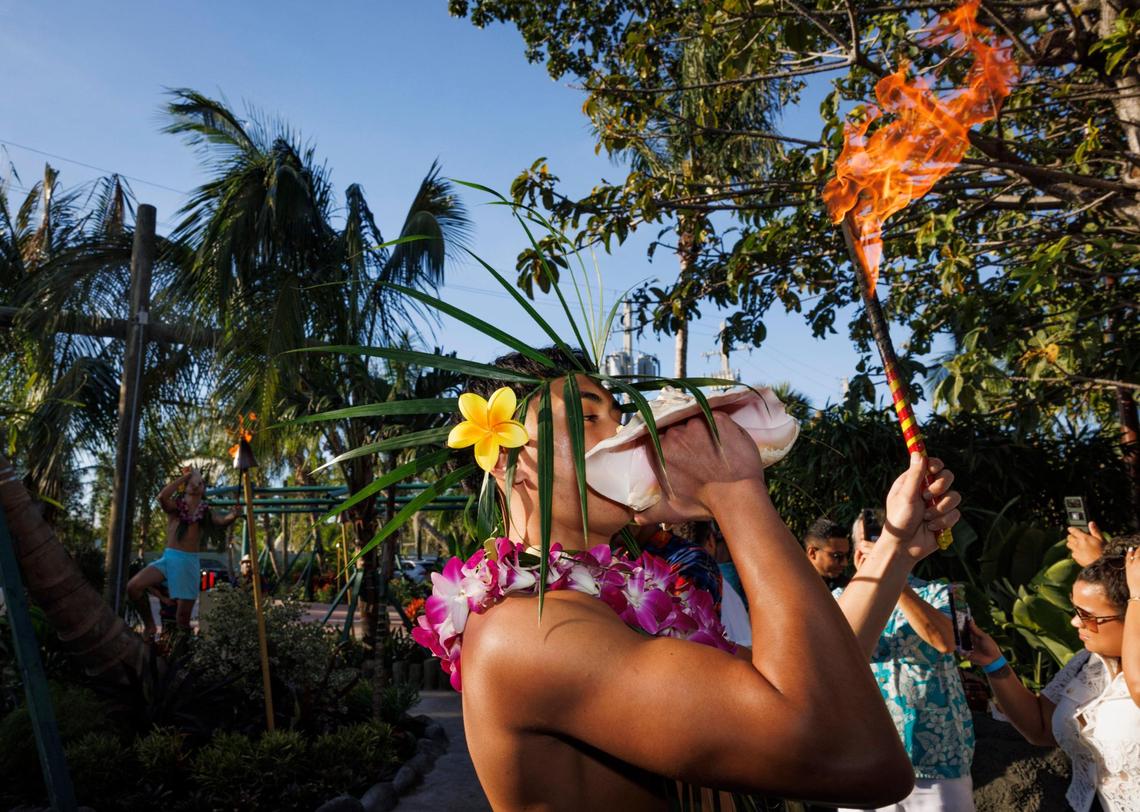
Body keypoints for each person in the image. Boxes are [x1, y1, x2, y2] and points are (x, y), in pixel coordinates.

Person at [415, 349, 963, 810]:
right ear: (505, 456)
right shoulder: (528, 630)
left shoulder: (614, 592)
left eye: (618, 412)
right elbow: (852, 753)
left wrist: (894, 548)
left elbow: (802, 679)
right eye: (588, 418)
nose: (627, 430)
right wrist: (733, 493)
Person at [965, 536, 1140, 812]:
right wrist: (994, 663)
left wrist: (1138, 594)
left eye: (1088, 616)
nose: (1074, 622)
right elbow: (1040, 728)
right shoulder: (1087, 663)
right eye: (1075, 610)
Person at [833, 509, 974, 812]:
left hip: (941, 765)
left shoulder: (954, 593)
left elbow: (957, 643)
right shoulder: (835, 600)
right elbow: (833, 659)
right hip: (862, 761)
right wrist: (872, 582)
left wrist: (894, 578)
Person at [126, 468, 240, 637]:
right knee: (133, 587)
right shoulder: (175, 507)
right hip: (169, 557)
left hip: (188, 562)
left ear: (203, 489)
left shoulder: (205, 512)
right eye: (192, 483)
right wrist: (186, 476)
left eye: (200, 483)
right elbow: (162, 497)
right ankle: (150, 626)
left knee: (182, 619)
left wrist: (233, 515)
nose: (196, 485)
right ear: (185, 487)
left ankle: (184, 653)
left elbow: (221, 521)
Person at [803, 517, 852, 589]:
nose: (845, 563)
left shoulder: (847, 587)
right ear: (812, 553)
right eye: (837, 556)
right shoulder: (791, 583)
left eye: (847, 555)